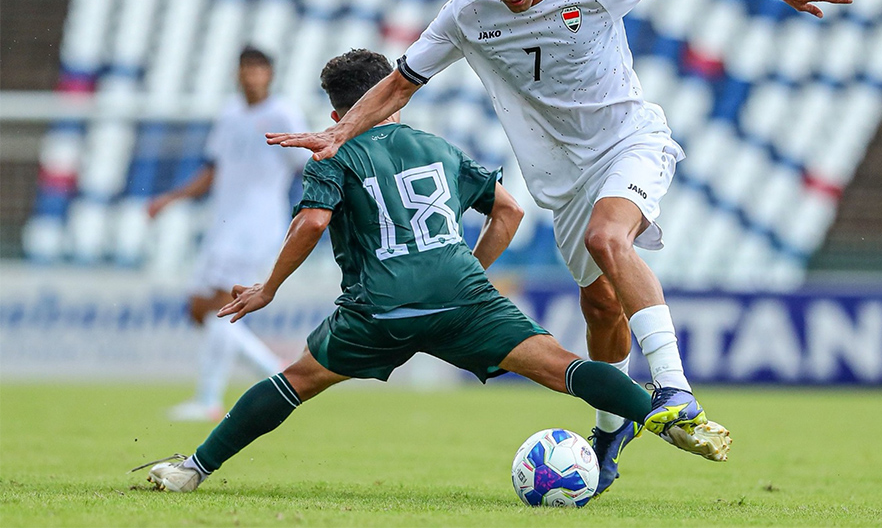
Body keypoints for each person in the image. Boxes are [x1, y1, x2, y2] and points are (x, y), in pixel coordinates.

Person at [266, 0, 853, 493]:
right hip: (564, 179)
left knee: (609, 238)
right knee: (599, 305)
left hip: (630, 141)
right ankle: (609, 432)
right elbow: (400, 82)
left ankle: (675, 390)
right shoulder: (467, 15)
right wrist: (341, 131)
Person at [138, 48, 721, 494]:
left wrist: (268, 288)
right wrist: (469, 271)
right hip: (462, 297)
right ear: (394, 98)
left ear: (338, 112)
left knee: (296, 383)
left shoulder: (334, 149)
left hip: (380, 309)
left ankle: (194, 469)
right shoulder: (435, 146)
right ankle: (665, 415)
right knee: (563, 368)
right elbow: (508, 210)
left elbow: (313, 225)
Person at [148, 46, 309, 421]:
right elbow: (213, 169)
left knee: (222, 307)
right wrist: (170, 198)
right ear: (237, 73)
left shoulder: (282, 113)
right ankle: (271, 366)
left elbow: (306, 163)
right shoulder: (230, 113)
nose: (251, 76)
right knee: (197, 309)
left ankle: (208, 399)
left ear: (269, 74)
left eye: (258, 69)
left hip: (257, 226)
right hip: (223, 223)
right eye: (245, 69)